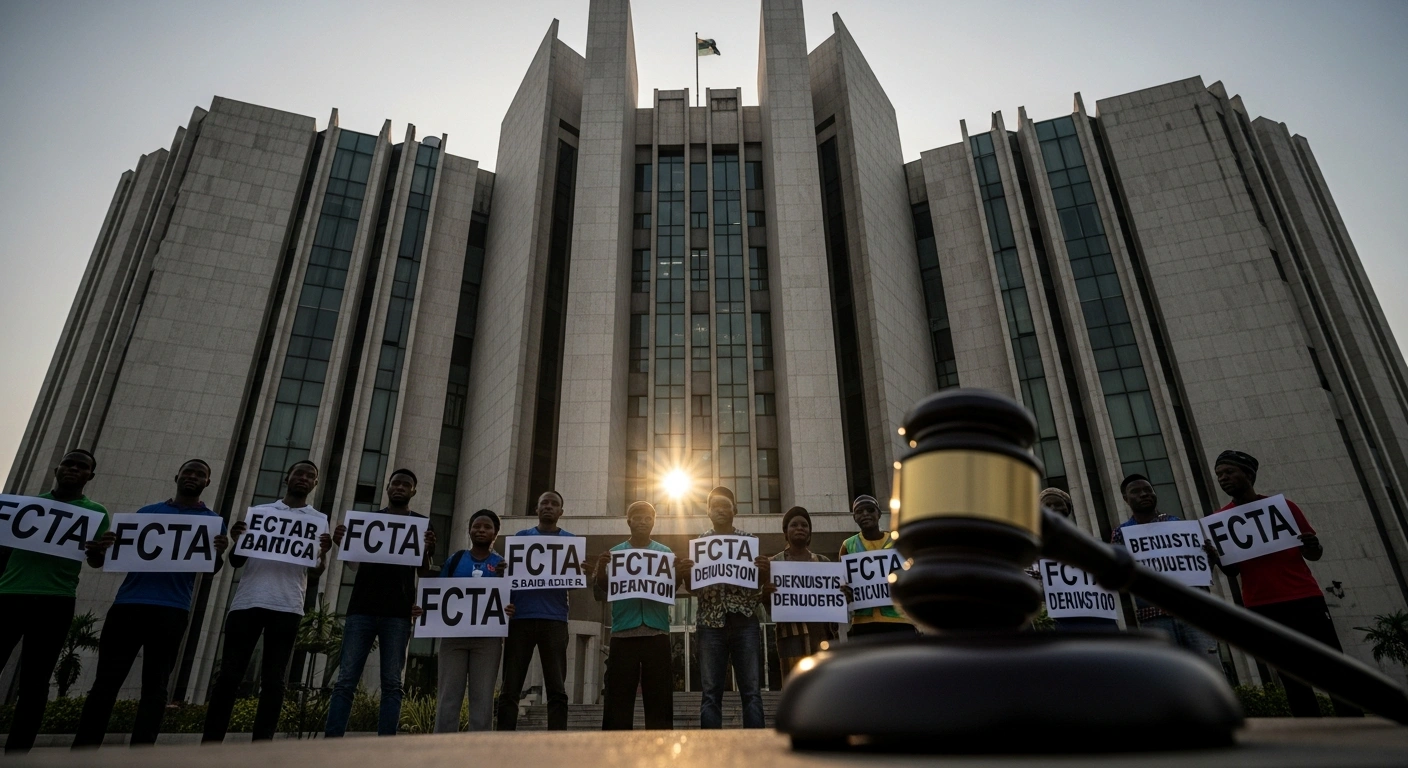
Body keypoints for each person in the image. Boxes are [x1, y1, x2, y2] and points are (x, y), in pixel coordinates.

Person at [73, 459, 229, 748]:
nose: (193, 476)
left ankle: (142, 752)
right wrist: (99, 551)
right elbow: (104, 561)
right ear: (177, 476)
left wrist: (219, 553)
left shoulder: (213, 521)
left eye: (200, 474)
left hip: (172, 609)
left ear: (207, 482)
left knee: (155, 687)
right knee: (106, 683)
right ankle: (83, 749)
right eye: (188, 472)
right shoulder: (146, 514)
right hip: (128, 605)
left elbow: (209, 570)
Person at [1206, 450, 1362, 718]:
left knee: (1331, 665)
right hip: (1262, 605)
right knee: (1290, 675)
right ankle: (1311, 731)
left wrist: (1313, 545)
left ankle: (1353, 722)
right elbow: (1232, 571)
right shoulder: (1221, 519)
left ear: (1248, 474)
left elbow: (1313, 553)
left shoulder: (1285, 507)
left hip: (1304, 598)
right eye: (1219, 474)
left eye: (1229, 472)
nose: (1223, 478)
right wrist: (1216, 557)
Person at [202, 460, 332, 743]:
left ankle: (263, 744)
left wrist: (322, 555)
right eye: (299, 473)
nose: (304, 478)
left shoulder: (318, 520)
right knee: (229, 677)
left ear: (315, 485)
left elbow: (315, 571)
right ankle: (210, 742)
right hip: (247, 602)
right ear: (287, 478)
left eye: (310, 476)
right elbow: (236, 561)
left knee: (274, 682)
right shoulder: (260, 513)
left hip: (287, 606)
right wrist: (238, 539)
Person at [0, 449, 110, 754]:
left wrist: (99, 550)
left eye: (82, 466)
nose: (74, 469)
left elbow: (96, 561)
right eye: (69, 464)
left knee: (35, 683)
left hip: (56, 602)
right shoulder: (26, 505)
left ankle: (17, 752)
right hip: (10, 596)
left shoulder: (96, 513)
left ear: (91, 475)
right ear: (57, 469)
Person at [324, 469, 436, 737]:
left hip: (398, 613)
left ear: (414, 491)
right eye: (395, 483)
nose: (400, 487)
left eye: (406, 484)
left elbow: (423, 571)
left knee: (392, 683)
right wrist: (342, 543)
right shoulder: (368, 520)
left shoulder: (422, 524)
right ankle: (331, 741)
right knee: (346, 681)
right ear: (387, 488)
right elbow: (353, 564)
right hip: (362, 609)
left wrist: (428, 549)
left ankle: (387, 743)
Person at [676, 486, 769, 729]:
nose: (720, 510)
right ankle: (710, 755)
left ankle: (759, 753)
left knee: (751, 693)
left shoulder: (749, 543)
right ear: (707, 511)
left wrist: (763, 573)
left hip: (745, 622)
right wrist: (687, 575)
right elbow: (695, 589)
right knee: (710, 694)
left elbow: (756, 586)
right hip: (710, 625)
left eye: (725, 505)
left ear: (734, 510)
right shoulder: (699, 545)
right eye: (715, 506)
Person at [1109, 474, 1218, 665]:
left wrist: (1209, 557)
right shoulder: (1121, 534)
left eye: (1148, 490)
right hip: (1154, 619)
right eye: (1136, 492)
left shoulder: (1178, 524)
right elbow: (1119, 578)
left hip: (1192, 614)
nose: (1144, 494)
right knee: (1169, 675)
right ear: (1126, 499)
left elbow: (1199, 572)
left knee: (1209, 670)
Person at [496, 490, 577, 731]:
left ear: (561, 512)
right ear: (537, 508)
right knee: (510, 687)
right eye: (544, 503)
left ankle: (557, 743)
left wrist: (580, 571)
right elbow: (508, 579)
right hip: (520, 619)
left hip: (554, 620)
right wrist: (503, 571)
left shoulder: (571, 541)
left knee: (557, 689)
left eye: (554, 504)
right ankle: (503, 740)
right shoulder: (521, 538)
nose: (549, 507)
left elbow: (575, 581)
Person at [592, 500, 678, 730]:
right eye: (637, 517)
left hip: (657, 632)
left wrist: (680, 572)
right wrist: (601, 570)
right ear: (628, 521)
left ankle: (661, 750)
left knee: (659, 698)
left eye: (647, 518)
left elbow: (672, 588)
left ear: (654, 522)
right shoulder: (614, 554)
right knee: (618, 697)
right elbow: (600, 591)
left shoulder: (665, 554)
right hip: (623, 634)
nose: (642, 521)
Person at [431, 508, 514, 733]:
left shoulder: (503, 566)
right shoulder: (455, 560)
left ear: (495, 533)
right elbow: (438, 593)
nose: (481, 530)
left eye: (487, 527)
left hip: (487, 642)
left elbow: (511, 599)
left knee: (483, 700)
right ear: (469, 530)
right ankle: (442, 751)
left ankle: (479, 753)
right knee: (448, 696)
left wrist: (509, 606)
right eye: (476, 526)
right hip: (453, 639)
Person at [765, 506, 839, 679]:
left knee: (824, 687)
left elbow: (835, 604)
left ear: (810, 532)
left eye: (804, 525)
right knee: (794, 686)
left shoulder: (824, 562)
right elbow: (770, 610)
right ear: (786, 532)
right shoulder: (774, 564)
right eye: (794, 525)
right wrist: (765, 595)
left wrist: (842, 596)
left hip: (822, 637)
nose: (800, 528)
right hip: (790, 637)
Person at [838, 495, 915, 638]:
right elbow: (842, 581)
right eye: (860, 512)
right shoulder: (847, 546)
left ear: (878, 514)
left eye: (870, 510)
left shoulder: (899, 541)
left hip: (899, 621)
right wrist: (844, 591)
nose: (865, 514)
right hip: (862, 623)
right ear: (854, 517)